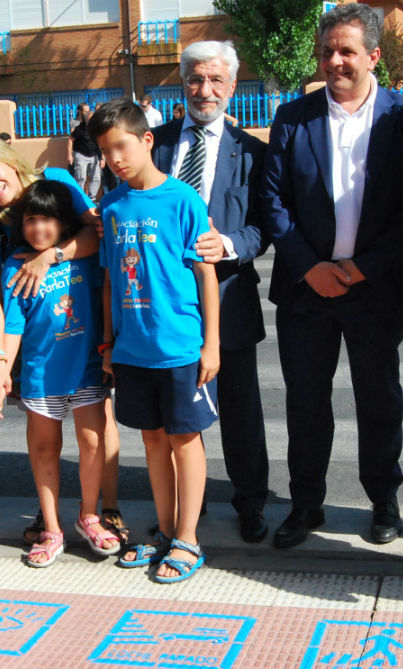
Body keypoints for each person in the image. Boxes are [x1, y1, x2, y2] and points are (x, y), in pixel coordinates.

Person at [259, 3, 403, 549]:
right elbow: (273, 200)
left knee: (378, 398)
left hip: (373, 289)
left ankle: (384, 500)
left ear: (373, 55)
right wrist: (310, 267)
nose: (335, 60)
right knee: (306, 402)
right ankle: (306, 503)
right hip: (306, 290)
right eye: (328, 50)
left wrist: (360, 268)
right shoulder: (293, 117)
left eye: (347, 51)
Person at [0, 134, 127, 546]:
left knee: (97, 430)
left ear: (9, 162)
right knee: (44, 438)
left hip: (88, 340)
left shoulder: (54, 180)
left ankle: (106, 507)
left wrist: (49, 255)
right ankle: (50, 514)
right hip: (36, 342)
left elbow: (96, 234)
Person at [90, 98, 220, 584]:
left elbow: (206, 275)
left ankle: (188, 537)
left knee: (185, 439)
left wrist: (213, 345)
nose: (114, 159)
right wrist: (107, 345)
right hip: (131, 349)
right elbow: (107, 282)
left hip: (181, 347)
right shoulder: (113, 206)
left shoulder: (183, 199)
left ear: (147, 140)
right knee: (151, 439)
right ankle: (165, 531)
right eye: (105, 152)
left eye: (121, 146)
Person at [150, 40, 271, 544]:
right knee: (178, 414)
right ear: (182, 83)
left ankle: (251, 504)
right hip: (165, 304)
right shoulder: (152, 145)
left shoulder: (254, 153)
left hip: (229, 298)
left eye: (216, 80)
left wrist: (230, 243)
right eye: (196, 79)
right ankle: (184, 514)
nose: (205, 90)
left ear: (232, 86)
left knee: (240, 412)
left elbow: (267, 225)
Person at [0, 180, 118, 567]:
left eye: (47, 220)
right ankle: (52, 529)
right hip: (42, 376)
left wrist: (109, 350)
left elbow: (105, 293)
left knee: (92, 444)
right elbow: (13, 324)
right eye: (30, 221)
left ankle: (88, 515)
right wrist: (1, 367)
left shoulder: (84, 256)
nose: (38, 229)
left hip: (87, 371)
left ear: (62, 224)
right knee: (44, 451)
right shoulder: (15, 265)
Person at [68, 103, 102, 201]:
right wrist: (69, 155)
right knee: (81, 177)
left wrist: (101, 158)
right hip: (81, 154)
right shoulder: (80, 128)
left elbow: (100, 143)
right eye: (89, 119)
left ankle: (92, 199)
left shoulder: (96, 129)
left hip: (94, 154)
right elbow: (70, 139)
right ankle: (81, 198)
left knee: (96, 178)